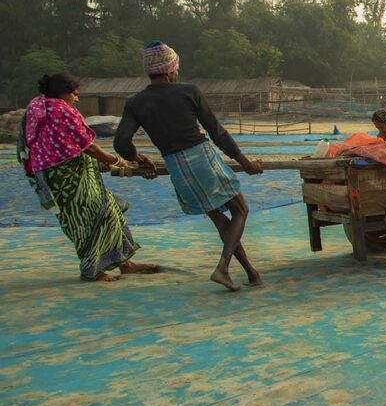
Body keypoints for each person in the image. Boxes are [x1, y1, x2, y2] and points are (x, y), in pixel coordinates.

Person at [114, 41, 263, 292]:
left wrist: (139, 159)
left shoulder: (135, 103)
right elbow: (217, 132)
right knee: (240, 210)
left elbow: (121, 143)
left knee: (221, 222)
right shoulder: (188, 91)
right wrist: (245, 162)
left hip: (177, 169)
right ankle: (223, 268)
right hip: (202, 160)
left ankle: (251, 272)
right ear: (170, 70)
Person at [17, 73, 160, 282]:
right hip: (69, 178)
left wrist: (100, 163)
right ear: (62, 93)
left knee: (109, 210)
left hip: (59, 175)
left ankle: (125, 264)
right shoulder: (61, 110)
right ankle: (92, 270)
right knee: (87, 220)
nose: (76, 99)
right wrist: (115, 160)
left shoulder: (38, 107)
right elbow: (88, 146)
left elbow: (57, 145)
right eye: (74, 94)